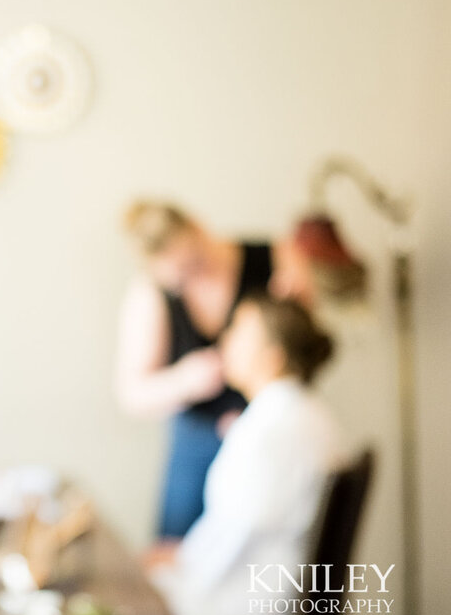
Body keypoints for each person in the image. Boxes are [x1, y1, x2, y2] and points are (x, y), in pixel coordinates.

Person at [114, 200, 364, 540]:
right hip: (198, 441)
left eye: (195, 263)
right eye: (179, 279)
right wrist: (184, 381)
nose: (194, 280)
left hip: (269, 433)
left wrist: (299, 305)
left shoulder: (277, 259)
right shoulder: (150, 295)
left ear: (198, 227)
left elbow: (305, 343)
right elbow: (132, 394)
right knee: (183, 548)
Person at [143, 293, 355, 615]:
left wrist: (178, 562)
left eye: (239, 331)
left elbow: (238, 534)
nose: (225, 340)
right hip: (279, 594)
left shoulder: (269, 431)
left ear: (272, 358)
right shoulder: (306, 414)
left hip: (247, 608)